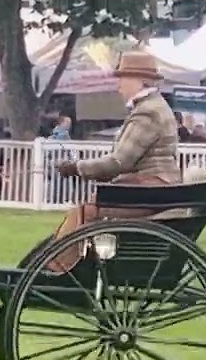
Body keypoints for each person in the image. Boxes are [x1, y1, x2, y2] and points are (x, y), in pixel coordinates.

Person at [48, 51, 182, 273]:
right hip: (156, 187)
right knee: (90, 205)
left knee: (85, 211)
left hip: (150, 188)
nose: (118, 86)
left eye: (122, 79)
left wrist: (76, 168)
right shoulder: (154, 107)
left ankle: (55, 269)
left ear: (139, 80)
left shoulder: (147, 113)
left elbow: (118, 163)